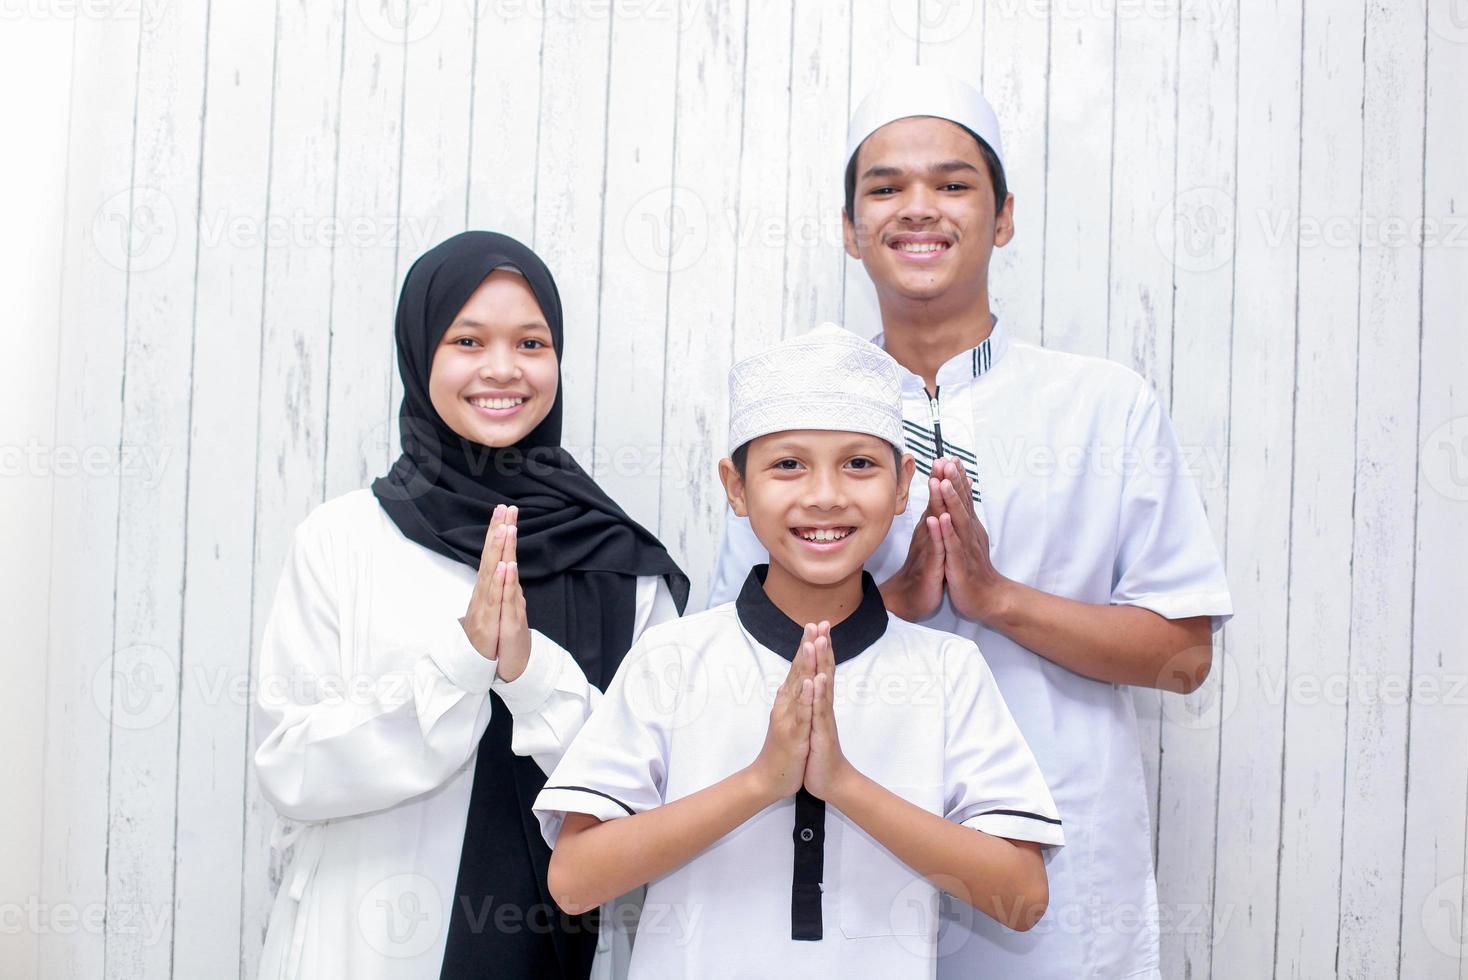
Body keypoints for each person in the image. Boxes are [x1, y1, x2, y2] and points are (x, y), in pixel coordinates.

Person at [709, 66, 1234, 979]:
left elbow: (1184, 658)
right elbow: (722, 671)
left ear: (1005, 216)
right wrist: (895, 607)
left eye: (953, 184)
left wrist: (995, 599)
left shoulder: (1104, 406)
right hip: (835, 855)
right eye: (887, 188)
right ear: (849, 228)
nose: (920, 209)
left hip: (1049, 861)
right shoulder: (790, 420)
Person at [532, 323, 1063, 979]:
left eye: (859, 464)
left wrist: (842, 784)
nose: (824, 495)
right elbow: (575, 882)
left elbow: (1022, 896)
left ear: (902, 487)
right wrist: (761, 782)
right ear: (735, 485)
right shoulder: (671, 660)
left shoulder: (948, 672)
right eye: (788, 464)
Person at [253, 231, 689, 980]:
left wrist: (530, 675)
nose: (502, 369)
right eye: (467, 339)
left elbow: (658, 801)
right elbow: (291, 770)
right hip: (360, 947)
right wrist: (459, 667)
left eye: (530, 342)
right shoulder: (345, 538)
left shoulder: (620, 566)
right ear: (422, 354)